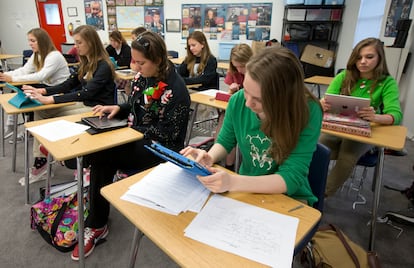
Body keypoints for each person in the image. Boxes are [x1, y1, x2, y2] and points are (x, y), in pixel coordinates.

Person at [69, 31, 191, 260]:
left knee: (103, 157)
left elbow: (170, 136)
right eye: (134, 61)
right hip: (134, 135)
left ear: (159, 60)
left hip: (161, 149)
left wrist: (129, 133)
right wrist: (119, 109)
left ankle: (96, 224)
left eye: (141, 62)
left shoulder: (177, 90)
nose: (135, 67)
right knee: (98, 147)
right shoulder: (142, 77)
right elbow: (137, 106)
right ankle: (91, 194)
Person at [181, 46, 323, 204]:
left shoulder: (308, 111)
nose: (248, 103)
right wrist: (209, 157)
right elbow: (225, 141)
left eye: (259, 99)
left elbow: (291, 177)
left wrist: (233, 182)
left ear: (284, 98)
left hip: (290, 198)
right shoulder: (238, 100)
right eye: (246, 90)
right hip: (248, 188)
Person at [22, 25, 116, 183]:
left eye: (79, 43)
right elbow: (68, 85)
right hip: (85, 104)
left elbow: (87, 93)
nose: (75, 47)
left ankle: (58, 154)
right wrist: (44, 92)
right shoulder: (86, 62)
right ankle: (42, 160)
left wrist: (52, 99)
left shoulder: (104, 66)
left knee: (52, 119)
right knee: (41, 112)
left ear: (91, 43)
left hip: (98, 110)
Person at [319, 37, 403, 197]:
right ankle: (304, 187)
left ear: (380, 58)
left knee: (347, 156)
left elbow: (396, 115)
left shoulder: (387, 82)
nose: (363, 61)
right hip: (338, 126)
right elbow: (328, 99)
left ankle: (320, 196)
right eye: (359, 57)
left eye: (369, 57)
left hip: (362, 131)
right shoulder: (344, 75)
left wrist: (376, 117)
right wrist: (323, 104)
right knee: (316, 148)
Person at [0, 28, 70, 140]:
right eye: (29, 41)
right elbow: (24, 70)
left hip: (59, 89)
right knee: (21, 90)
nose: (30, 44)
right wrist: (6, 75)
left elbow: (40, 76)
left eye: (33, 41)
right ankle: (22, 125)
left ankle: (24, 126)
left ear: (42, 41)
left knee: (25, 91)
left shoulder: (54, 56)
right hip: (47, 86)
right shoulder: (37, 54)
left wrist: (12, 78)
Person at [216, 43, 253, 170]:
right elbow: (231, 97)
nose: (239, 70)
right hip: (237, 107)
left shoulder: (256, 73)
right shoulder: (233, 71)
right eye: (236, 66)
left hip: (248, 111)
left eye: (242, 66)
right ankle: (226, 163)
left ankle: (229, 163)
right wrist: (232, 92)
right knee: (223, 120)